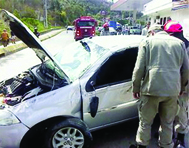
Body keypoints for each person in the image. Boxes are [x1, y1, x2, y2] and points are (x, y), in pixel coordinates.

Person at [130, 24, 189, 148]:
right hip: (172, 91)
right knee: (167, 123)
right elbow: (186, 70)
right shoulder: (179, 43)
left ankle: (142, 145)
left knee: (145, 122)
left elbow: (138, 68)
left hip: (151, 89)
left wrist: (136, 87)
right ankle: (166, 145)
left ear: (151, 32)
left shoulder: (147, 42)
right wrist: (182, 88)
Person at [164, 20, 189, 148]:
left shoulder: (185, 46)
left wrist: (183, 87)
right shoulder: (176, 45)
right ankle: (168, 135)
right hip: (173, 84)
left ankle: (180, 138)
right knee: (169, 111)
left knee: (181, 113)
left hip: (183, 86)